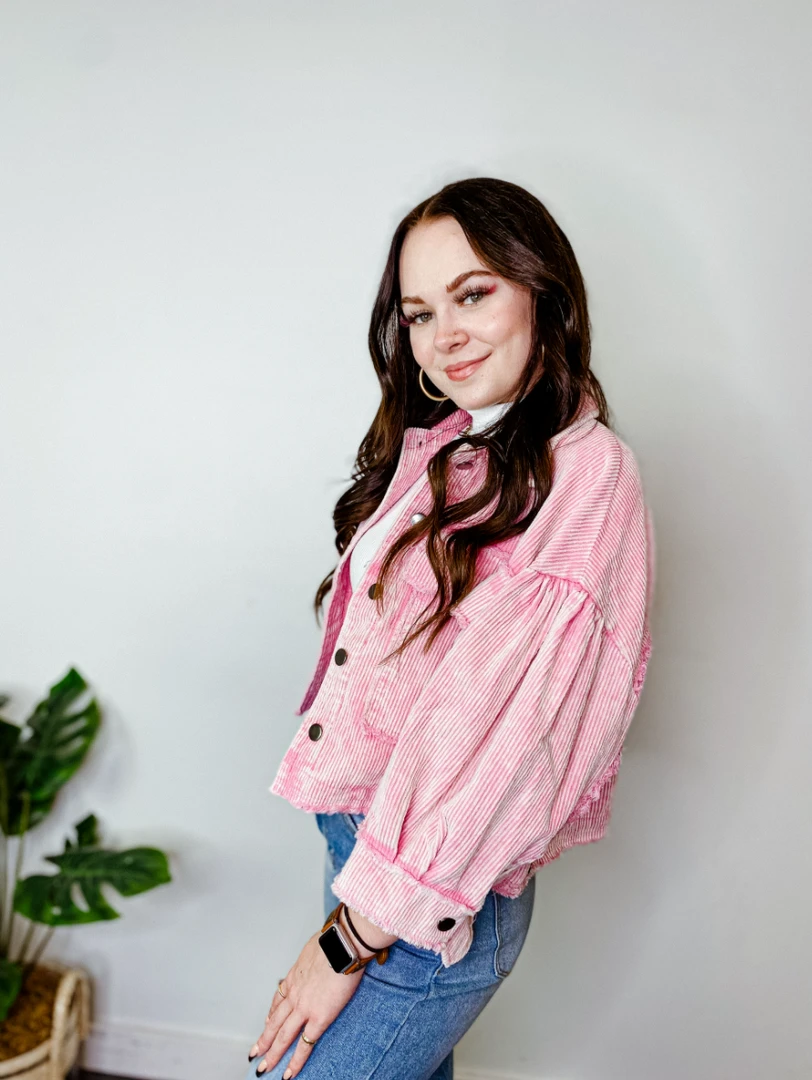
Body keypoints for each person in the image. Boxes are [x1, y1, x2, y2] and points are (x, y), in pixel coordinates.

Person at [244, 177, 655, 1080]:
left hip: (425, 898)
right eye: (421, 313)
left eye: (473, 294)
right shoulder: (453, 442)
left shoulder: (588, 480)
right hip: (367, 854)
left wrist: (346, 941)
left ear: (542, 291)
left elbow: (500, 744)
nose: (446, 335)